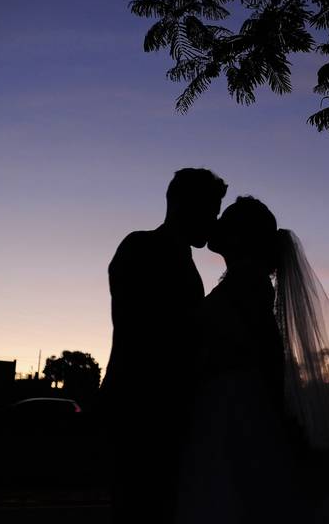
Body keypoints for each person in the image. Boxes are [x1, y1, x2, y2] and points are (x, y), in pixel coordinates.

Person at [175, 196, 329, 524]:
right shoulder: (247, 285)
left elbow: (266, 359)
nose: (217, 225)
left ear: (241, 237)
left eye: (227, 220)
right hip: (229, 414)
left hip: (236, 419)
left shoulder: (248, 287)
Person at [99, 168, 227, 524]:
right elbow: (146, 333)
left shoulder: (176, 256)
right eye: (211, 211)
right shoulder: (141, 247)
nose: (213, 221)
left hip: (158, 407)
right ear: (183, 205)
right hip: (142, 407)